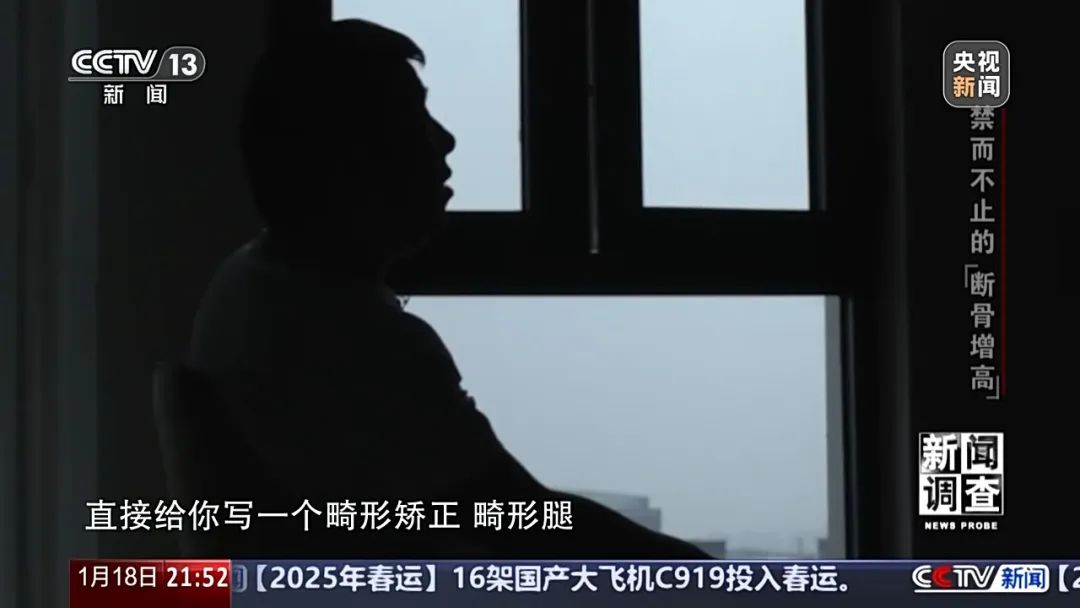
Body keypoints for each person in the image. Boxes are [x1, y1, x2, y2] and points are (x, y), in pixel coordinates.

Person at [189, 18, 709, 559]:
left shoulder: (254, 286)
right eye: (411, 117)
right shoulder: (353, 336)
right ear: (343, 157)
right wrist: (707, 574)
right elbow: (520, 518)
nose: (444, 139)